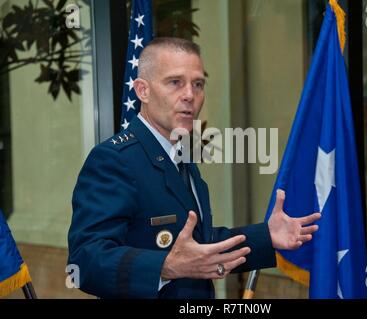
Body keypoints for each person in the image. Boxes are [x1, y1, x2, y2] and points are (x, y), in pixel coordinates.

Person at [68, 37, 321, 299]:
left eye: (198, 84)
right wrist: (166, 268)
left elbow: (199, 247)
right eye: (175, 82)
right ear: (143, 90)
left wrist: (266, 236)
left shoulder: (180, 156)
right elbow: (85, 261)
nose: (190, 95)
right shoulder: (114, 159)